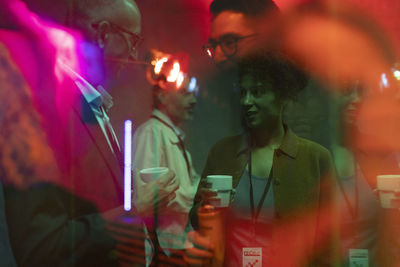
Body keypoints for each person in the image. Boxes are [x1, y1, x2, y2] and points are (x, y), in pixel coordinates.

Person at [0, 0, 173, 265]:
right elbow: (41, 248)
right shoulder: (44, 110)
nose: (136, 55)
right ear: (103, 35)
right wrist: (135, 210)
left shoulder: (90, 105)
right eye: (133, 40)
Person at [185, 54, 339, 266]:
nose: (247, 101)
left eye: (257, 92)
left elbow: (328, 244)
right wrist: (205, 208)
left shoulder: (315, 158)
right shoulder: (222, 153)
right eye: (243, 92)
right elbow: (195, 219)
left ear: (283, 97)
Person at [133, 52, 200, 265]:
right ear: (161, 96)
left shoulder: (171, 135)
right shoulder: (151, 133)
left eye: (192, 93)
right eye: (184, 93)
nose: (193, 100)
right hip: (163, 253)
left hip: (178, 248)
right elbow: (148, 195)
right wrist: (201, 195)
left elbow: (188, 184)